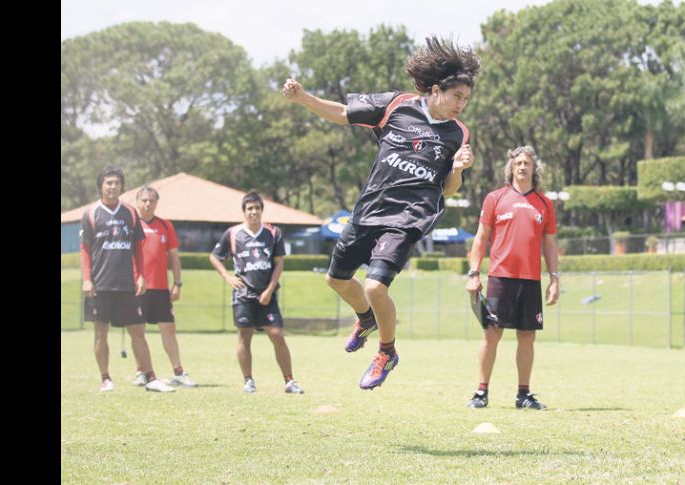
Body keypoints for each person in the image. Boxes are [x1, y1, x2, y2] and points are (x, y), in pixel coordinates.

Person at [282, 36, 480, 390]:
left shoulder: (457, 134)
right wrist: (303, 98)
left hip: (408, 219)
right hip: (369, 210)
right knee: (336, 280)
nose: (462, 105)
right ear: (436, 90)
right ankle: (365, 319)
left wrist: (459, 170)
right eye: (457, 97)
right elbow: (343, 113)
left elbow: (447, 189)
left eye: (466, 99)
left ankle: (386, 352)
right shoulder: (397, 105)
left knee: (374, 286)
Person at [465, 146, 559, 410]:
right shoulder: (495, 198)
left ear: (534, 168)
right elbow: (481, 238)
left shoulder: (545, 204)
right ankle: (481, 392)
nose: (522, 166)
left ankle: (524, 395)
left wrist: (554, 279)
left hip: (530, 281)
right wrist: (474, 273)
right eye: (518, 162)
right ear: (511, 168)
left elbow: (550, 245)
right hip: (500, 278)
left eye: (527, 162)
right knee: (491, 334)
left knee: (527, 336)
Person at [80, 166, 175, 393]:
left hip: (127, 285)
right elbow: (84, 249)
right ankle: (105, 379)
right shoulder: (91, 214)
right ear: (101, 186)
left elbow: (137, 248)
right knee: (101, 332)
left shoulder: (130, 213)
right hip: (100, 285)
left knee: (137, 332)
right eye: (108, 183)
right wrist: (86, 278)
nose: (112, 186)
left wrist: (140, 275)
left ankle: (150, 377)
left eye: (116, 183)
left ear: (122, 186)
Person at [209, 190, 304, 394]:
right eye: (250, 208)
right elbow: (215, 257)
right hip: (243, 295)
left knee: (277, 334)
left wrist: (270, 289)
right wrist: (227, 277)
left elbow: (279, 263)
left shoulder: (273, 233)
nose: (254, 212)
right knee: (245, 335)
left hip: (266, 295)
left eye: (257, 208)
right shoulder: (233, 234)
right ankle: (248, 380)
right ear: (243, 212)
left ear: (262, 211)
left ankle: (289, 381)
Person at [131, 185, 197, 388]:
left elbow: (174, 258)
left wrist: (177, 283)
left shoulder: (166, 226)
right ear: (138, 202)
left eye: (151, 200)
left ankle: (178, 372)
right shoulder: (131, 226)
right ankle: (141, 372)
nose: (147, 204)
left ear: (157, 203)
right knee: (137, 331)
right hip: (137, 288)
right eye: (144, 200)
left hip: (160, 289)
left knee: (168, 328)